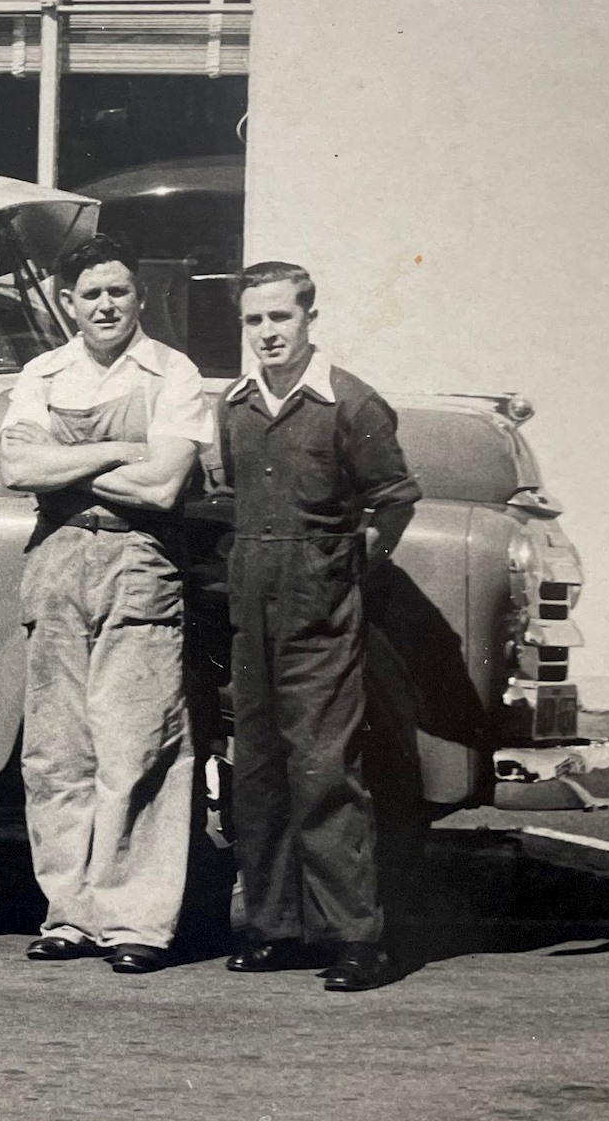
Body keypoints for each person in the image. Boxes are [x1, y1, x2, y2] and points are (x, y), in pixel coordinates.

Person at [0, 233, 211, 975]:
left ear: (139, 295)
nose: (106, 304)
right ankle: (70, 913)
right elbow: (14, 464)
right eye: (91, 294)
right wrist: (120, 450)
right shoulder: (41, 372)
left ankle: (137, 922)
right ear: (67, 303)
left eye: (118, 290)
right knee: (58, 753)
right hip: (56, 562)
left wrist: (65, 469)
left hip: (138, 559)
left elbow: (163, 489)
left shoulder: (173, 372)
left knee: (139, 743)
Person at [221, 261, 420, 993]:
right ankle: (276, 928)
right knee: (260, 771)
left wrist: (343, 570)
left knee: (324, 771)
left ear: (309, 318)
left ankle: (357, 937)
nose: (268, 332)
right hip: (253, 612)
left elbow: (393, 501)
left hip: (323, 614)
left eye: (281, 317)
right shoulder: (235, 406)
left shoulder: (351, 404)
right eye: (254, 320)